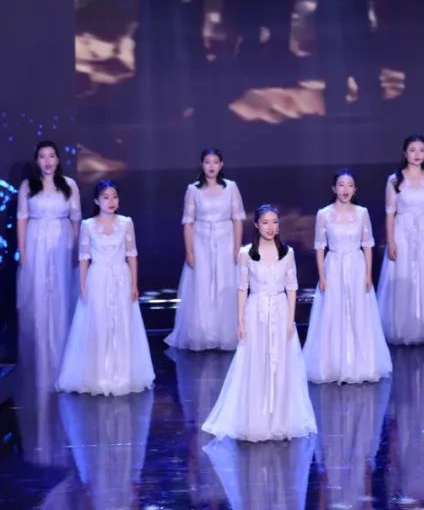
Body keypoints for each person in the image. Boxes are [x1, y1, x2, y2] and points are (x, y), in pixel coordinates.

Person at [201, 205, 317, 440]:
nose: (271, 227)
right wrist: (240, 321)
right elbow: (242, 288)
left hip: (280, 310)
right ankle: (256, 418)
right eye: (265, 222)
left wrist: (291, 320)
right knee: (255, 361)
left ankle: (280, 419)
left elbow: (292, 287)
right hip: (255, 311)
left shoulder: (287, 253)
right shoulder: (246, 253)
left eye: (275, 222)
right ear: (256, 225)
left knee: (280, 363)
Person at [56, 180, 154, 395]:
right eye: (106, 197)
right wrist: (82, 286)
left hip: (121, 277)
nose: (111, 201)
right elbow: (84, 258)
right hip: (97, 278)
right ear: (96, 200)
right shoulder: (88, 225)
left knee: (122, 324)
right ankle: (99, 376)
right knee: (98, 325)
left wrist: (134, 284)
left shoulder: (126, 223)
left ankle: (122, 375)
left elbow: (132, 255)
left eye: (114, 197)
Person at [304, 169, 393, 383]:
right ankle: (333, 364)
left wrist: (368, 274)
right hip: (333, 266)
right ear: (334, 188)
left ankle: (361, 364)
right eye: (341, 185)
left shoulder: (362, 213)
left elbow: (368, 245)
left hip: (356, 266)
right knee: (333, 313)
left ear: (355, 189)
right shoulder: (324, 214)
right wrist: (322, 276)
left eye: (350, 185)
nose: (345, 189)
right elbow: (319, 247)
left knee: (359, 313)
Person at [166, 148, 246, 351]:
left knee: (225, 284)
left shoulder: (230, 187)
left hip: (226, 240)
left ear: (221, 165)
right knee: (202, 285)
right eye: (207, 162)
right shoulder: (193, 189)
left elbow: (238, 219)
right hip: (200, 241)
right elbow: (188, 222)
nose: (211, 166)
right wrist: (189, 251)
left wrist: (237, 248)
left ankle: (226, 333)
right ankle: (202, 333)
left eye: (215, 162)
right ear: (202, 165)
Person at [16, 140, 81, 378]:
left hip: (63, 241)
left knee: (62, 293)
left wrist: (76, 249)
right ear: (37, 160)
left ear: (58, 159)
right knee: (38, 294)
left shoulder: (69, 185)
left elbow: (76, 218)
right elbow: (22, 218)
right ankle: (41, 354)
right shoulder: (27, 186)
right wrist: (23, 250)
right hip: (36, 241)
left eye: (51, 156)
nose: (47, 161)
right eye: (42, 156)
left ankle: (64, 352)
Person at [378, 135, 424, 344]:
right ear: (405, 153)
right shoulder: (394, 180)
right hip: (403, 231)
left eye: (421, 150)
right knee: (403, 274)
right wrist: (391, 241)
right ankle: (401, 328)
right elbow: (390, 213)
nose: (417, 154)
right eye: (412, 150)